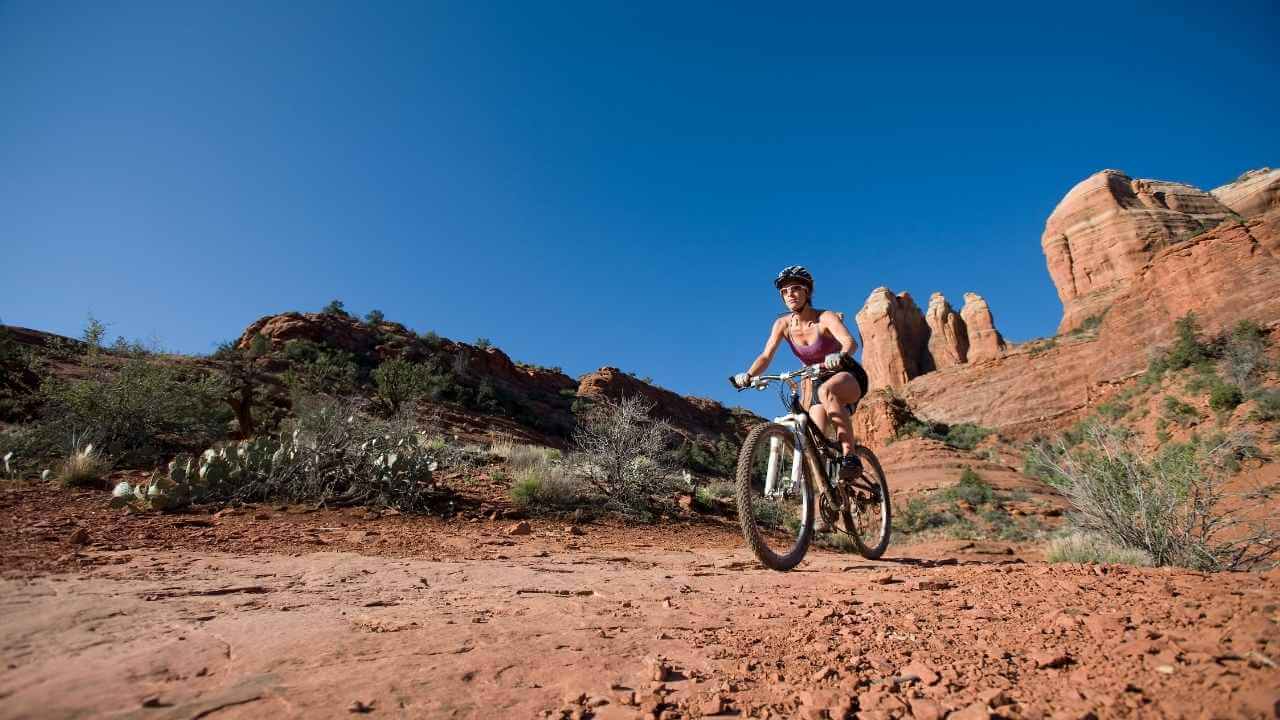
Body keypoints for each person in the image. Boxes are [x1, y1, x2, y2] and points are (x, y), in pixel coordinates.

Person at [732, 265, 871, 499]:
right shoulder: (782, 325)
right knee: (812, 444)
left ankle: (850, 457)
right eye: (785, 292)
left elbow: (849, 342)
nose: (790, 295)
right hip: (815, 381)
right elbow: (766, 355)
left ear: (808, 292)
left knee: (828, 390)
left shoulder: (824, 318)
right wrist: (748, 375)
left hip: (845, 375)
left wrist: (840, 355)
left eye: (796, 289)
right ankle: (830, 499)